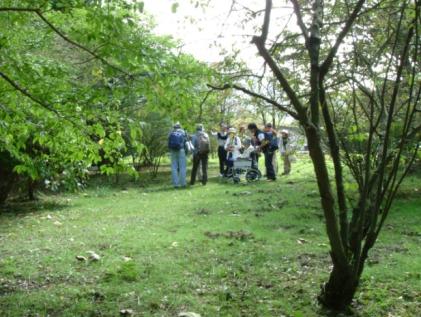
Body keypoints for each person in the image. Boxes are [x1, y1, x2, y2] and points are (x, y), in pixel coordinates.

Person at [168, 122, 187, 188]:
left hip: (173, 151)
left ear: (174, 127)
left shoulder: (171, 132)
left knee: (174, 167)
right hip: (181, 150)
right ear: (180, 127)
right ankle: (183, 183)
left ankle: (175, 184)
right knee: (182, 167)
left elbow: (168, 140)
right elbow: (185, 141)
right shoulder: (183, 132)